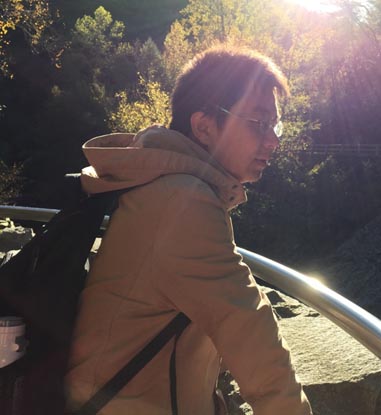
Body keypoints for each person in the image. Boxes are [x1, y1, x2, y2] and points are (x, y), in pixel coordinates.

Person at [65, 45, 313, 415]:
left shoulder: (169, 186)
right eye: (259, 123)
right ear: (204, 126)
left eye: (275, 125)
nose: (273, 140)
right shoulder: (181, 201)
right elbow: (248, 328)